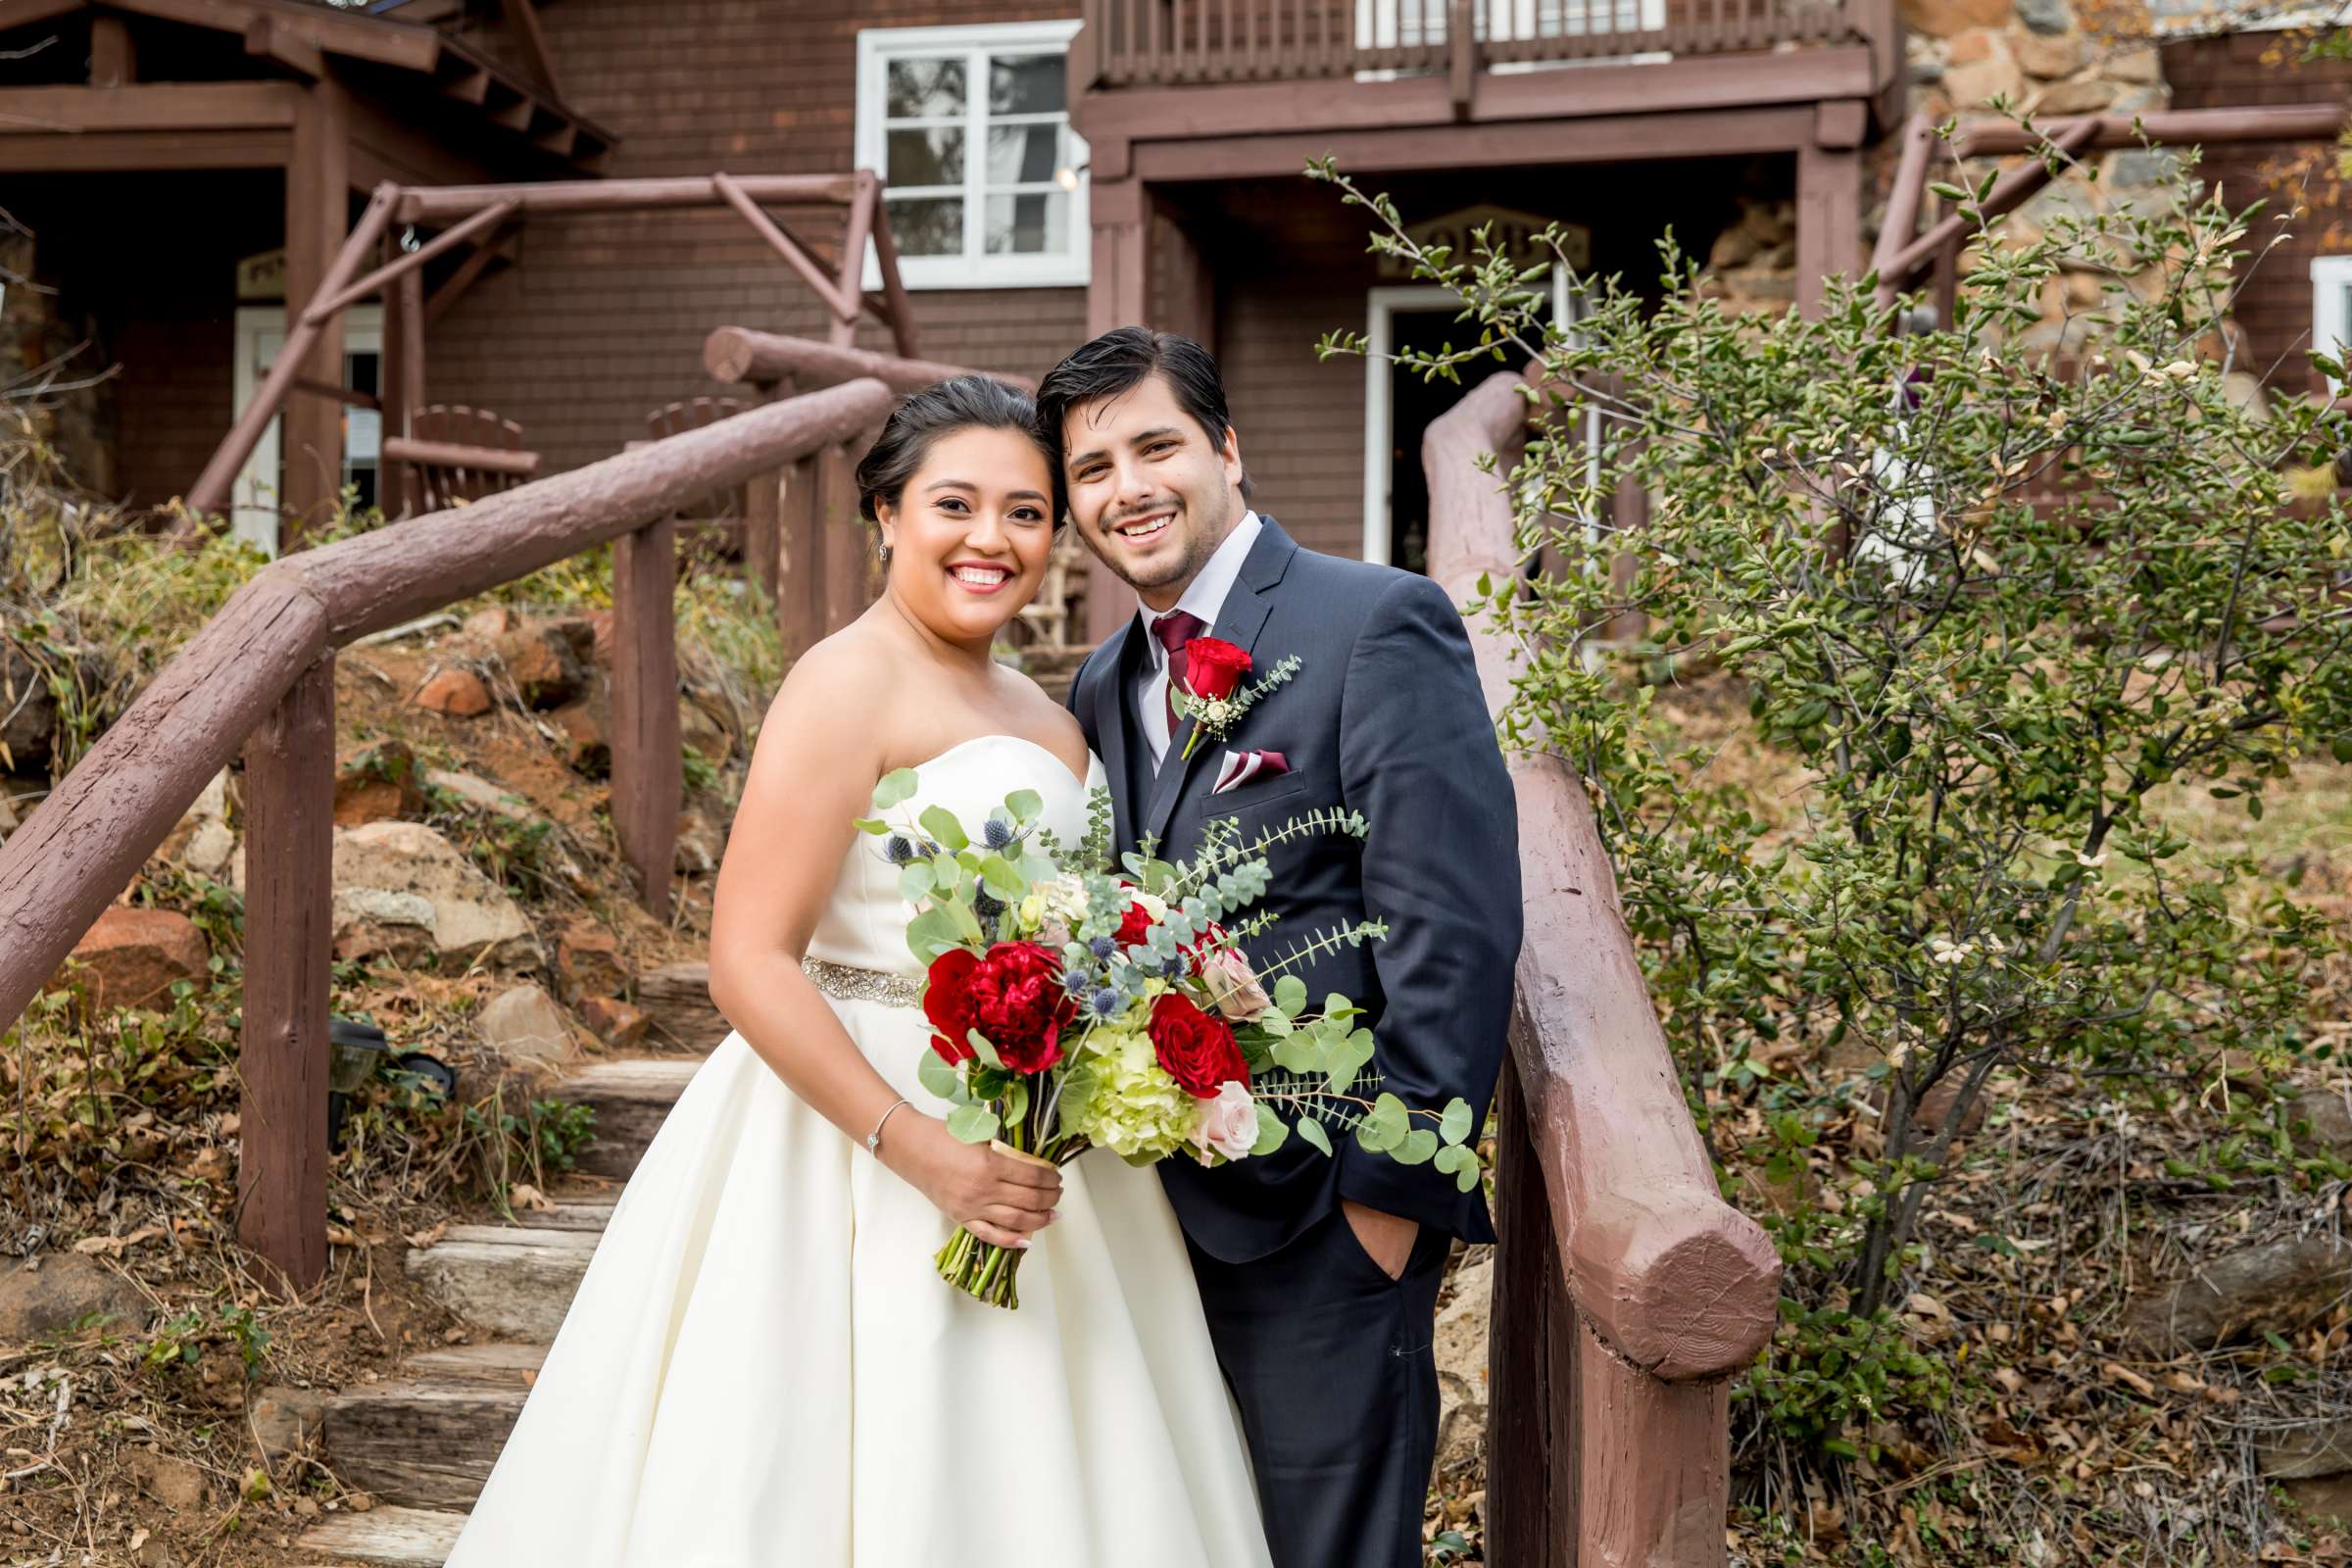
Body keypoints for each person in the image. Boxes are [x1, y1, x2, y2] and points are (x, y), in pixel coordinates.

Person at [444, 376, 1273, 1568]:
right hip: (854, 1137)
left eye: (1028, 513)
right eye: (956, 505)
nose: (992, 539)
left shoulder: (1051, 718)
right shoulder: (844, 684)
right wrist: (921, 1149)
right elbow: (744, 958)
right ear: (886, 513)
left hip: (1034, 1127)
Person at [1045, 328, 1524, 1568]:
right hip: (1156, 1228)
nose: (1127, 488)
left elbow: (1453, 927)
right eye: (1092, 469)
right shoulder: (1103, 683)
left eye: (1156, 446)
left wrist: (1388, 1206)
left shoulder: (1376, 620)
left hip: (1327, 1219)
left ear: (1227, 447)